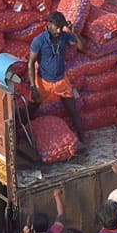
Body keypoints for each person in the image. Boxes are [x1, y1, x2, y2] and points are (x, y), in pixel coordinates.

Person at [28, 11, 86, 140]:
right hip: (44, 82)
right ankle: (19, 131)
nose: (59, 30)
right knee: (31, 108)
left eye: (61, 27)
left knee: (73, 110)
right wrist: (33, 87)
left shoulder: (65, 36)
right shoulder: (39, 41)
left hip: (61, 81)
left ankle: (82, 138)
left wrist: (74, 32)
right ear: (49, 24)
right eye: (57, 27)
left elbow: (82, 47)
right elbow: (31, 63)